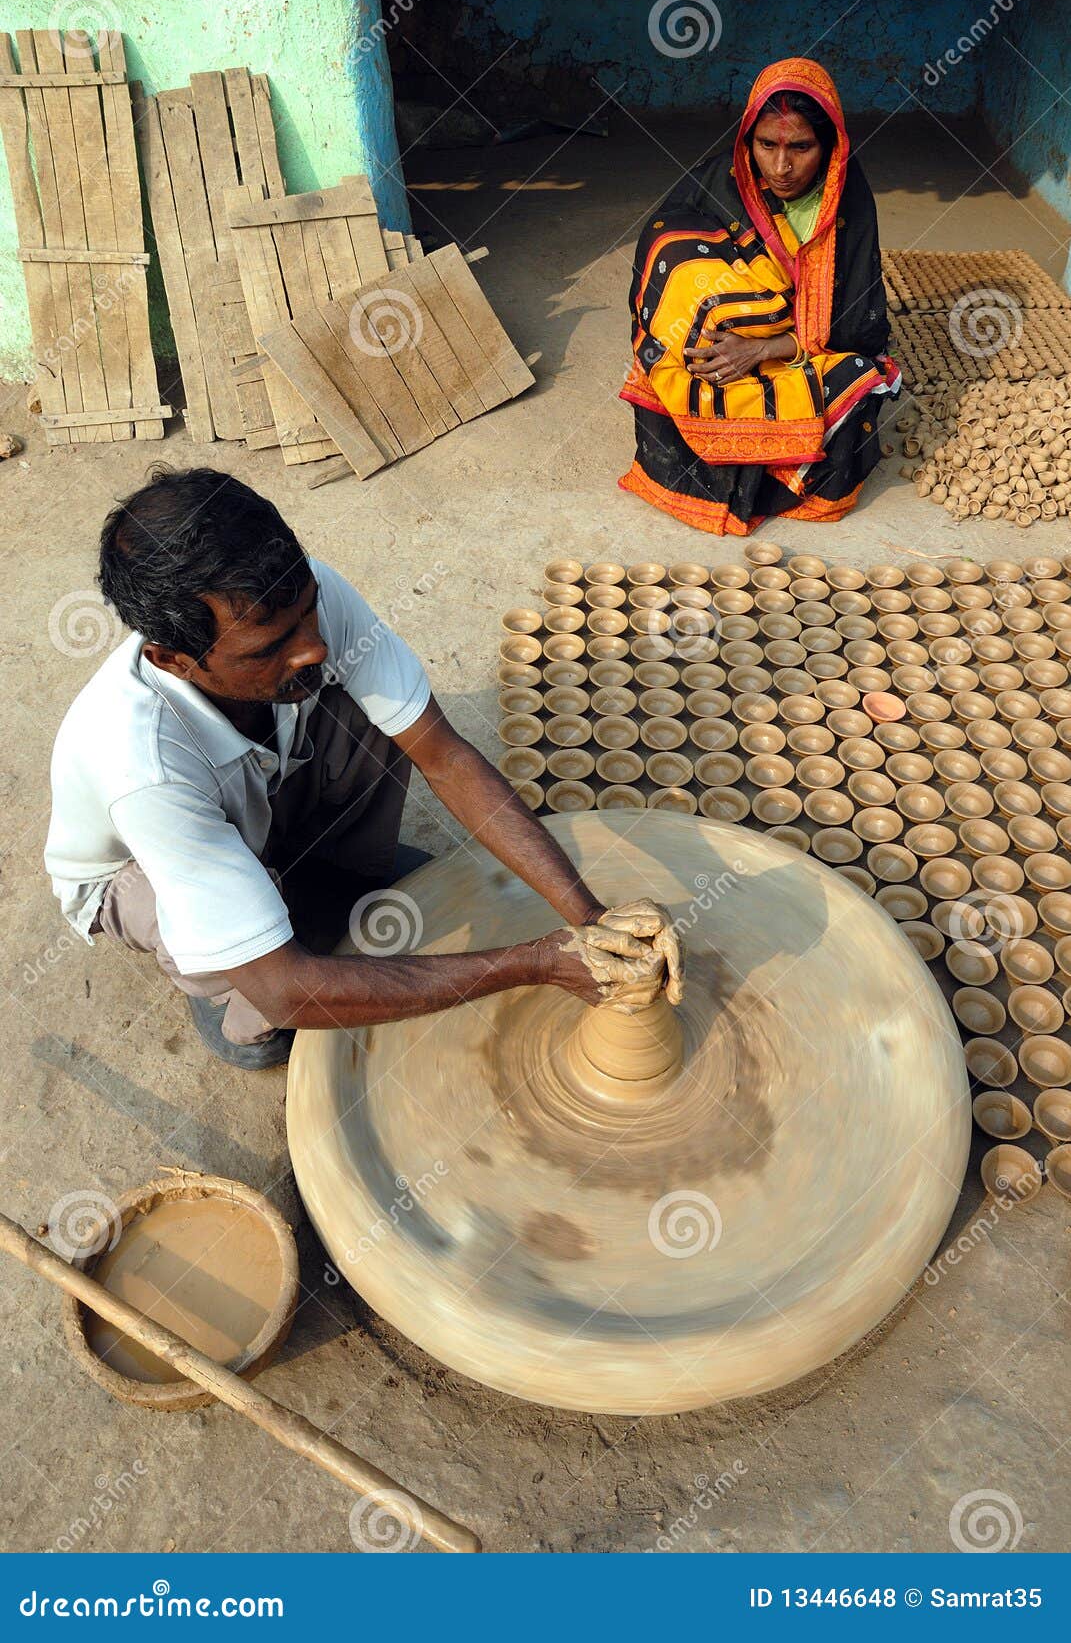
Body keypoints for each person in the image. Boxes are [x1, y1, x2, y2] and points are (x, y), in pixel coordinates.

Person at [44, 468, 682, 1070]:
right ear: (172, 659)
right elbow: (286, 989)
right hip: (135, 868)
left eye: (308, 614)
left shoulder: (294, 602)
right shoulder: (144, 765)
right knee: (272, 1018)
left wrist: (592, 920)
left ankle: (327, 884)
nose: (311, 646)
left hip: (249, 792)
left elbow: (445, 755)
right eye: (271, 647)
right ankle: (221, 980)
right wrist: (537, 963)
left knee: (375, 709)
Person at [619, 56, 901, 534]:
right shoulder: (715, 184)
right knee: (693, 364)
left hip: (798, 349)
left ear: (830, 145)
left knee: (857, 377)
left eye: (801, 147)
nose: (781, 166)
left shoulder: (847, 202)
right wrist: (715, 339)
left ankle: (764, 471)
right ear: (747, 139)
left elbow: (854, 323)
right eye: (766, 144)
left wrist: (762, 348)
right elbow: (661, 281)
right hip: (717, 350)